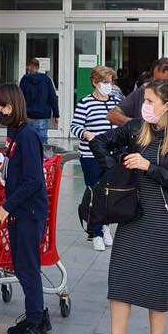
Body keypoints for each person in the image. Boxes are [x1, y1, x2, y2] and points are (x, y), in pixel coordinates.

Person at [88, 80, 168, 334]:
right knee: (120, 278)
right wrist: (113, 164)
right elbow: (98, 141)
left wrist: (148, 167)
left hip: (166, 218)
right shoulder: (137, 128)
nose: (144, 106)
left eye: (150, 101)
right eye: (145, 100)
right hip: (134, 215)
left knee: (157, 283)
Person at [0, 84, 51, 334]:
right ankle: (38, 315)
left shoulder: (27, 135)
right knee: (22, 265)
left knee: (27, 268)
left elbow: (34, 180)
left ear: (10, 108)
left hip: (28, 213)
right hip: (21, 212)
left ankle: (37, 324)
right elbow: (12, 162)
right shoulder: (14, 133)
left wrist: (7, 207)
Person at [71, 66, 122, 251]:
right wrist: (87, 134)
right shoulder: (85, 103)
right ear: (94, 82)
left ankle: (105, 226)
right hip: (91, 156)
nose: (109, 86)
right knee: (95, 193)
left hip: (111, 156)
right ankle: (96, 232)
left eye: (111, 82)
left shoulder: (115, 102)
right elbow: (74, 126)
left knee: (110, 194)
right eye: (105, 82)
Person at [108, 58, 168, 127]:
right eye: (156, 81)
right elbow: (112, 115)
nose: (159, 86)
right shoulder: (143, 92)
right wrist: (137, 126)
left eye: (164, 83)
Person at [18, 58, 59, 146]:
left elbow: (19, 98)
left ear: (29, 67)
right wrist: (56, 115)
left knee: (28, 142)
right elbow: (53, 98)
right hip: (42, 115)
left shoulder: (24, 80)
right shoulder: (47, 80)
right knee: (42, 143)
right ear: (38, 67)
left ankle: (29, 158)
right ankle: (42, 159)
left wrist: (19, 114)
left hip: (27, 115)